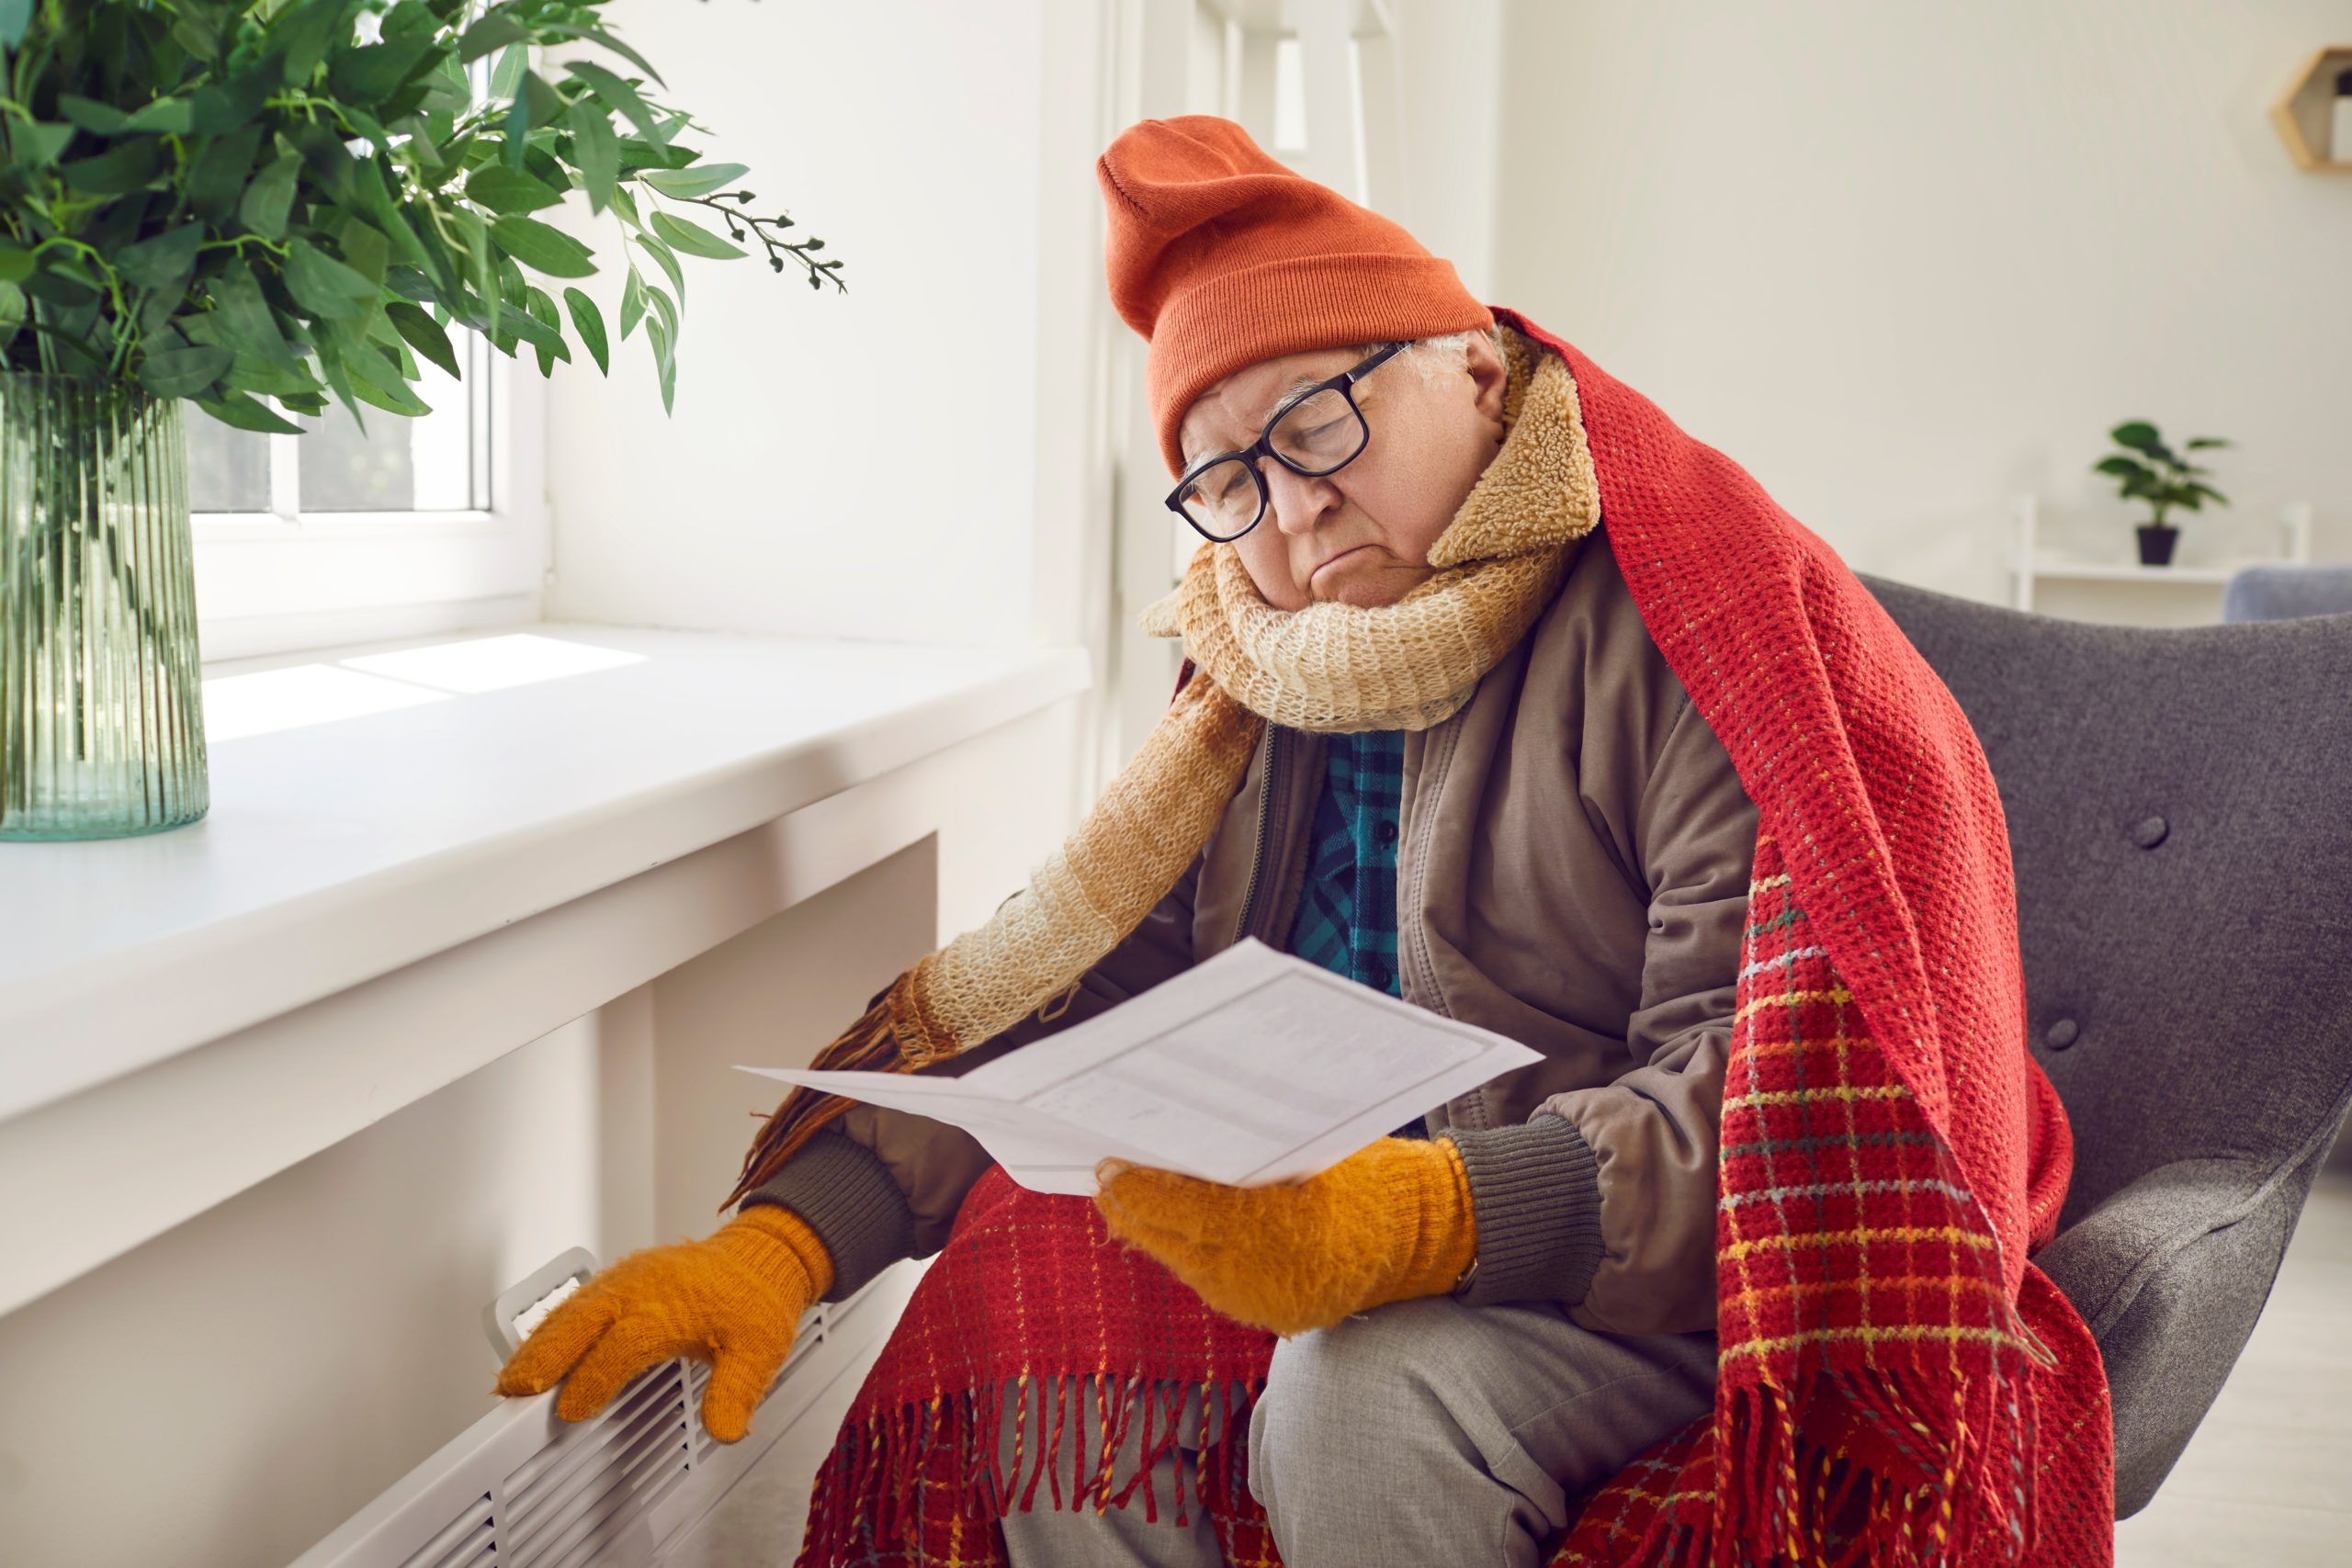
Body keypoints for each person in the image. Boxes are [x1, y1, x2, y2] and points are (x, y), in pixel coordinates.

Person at [495, 116, 2111, 1568]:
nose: (1288, 512)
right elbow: (1091, 995)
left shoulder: (1707, 636)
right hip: (1349, 1219)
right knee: (1031, 1312)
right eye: (1226, 476)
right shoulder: (1260, 673)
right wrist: (795, 1236)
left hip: (1658, 1262)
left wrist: (1422, 1220)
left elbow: (1763, 1104)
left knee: (1368, 1397)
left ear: (1477, 372)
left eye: (1322, 422)